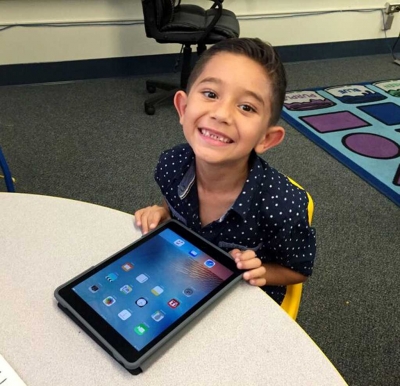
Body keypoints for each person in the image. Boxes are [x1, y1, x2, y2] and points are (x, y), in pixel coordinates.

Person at [135, 38, 316, 304]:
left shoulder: (283, 206)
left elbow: (298, 270)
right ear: (183, 108)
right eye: (210, 94)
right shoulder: (171, 165)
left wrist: (261, 270)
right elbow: (172, 205)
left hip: (243, 302)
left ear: (266, 138)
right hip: (182, 283)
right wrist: (163, 213)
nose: (221, 114)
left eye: (246, 107)